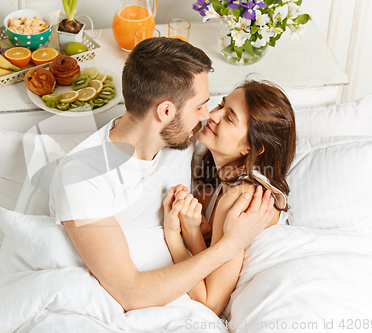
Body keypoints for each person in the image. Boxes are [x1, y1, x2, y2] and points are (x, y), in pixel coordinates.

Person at [49, 37, 275, 312]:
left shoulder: (184, 139)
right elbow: (130, 293)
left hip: (188, 288)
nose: (207, 115)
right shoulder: (82, 177)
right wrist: (231, 244)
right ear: (166, 111)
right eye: (200, 106)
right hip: (137, 301)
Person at [164, 79, 297, 316]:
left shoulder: (241, 197)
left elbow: (210, 303)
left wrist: (173, 235)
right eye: (221, 106)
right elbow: (213, 261)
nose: (213, 115)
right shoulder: (219, 186)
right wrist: (194, 231)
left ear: (251, 148)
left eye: (229, 118)